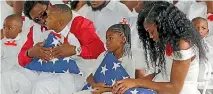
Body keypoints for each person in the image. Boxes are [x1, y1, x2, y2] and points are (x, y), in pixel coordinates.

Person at [1, 3, 105, 94]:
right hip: (41, 69)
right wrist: (31, 53)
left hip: (68, 73)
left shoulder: (77, 23)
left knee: (42, 86)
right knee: (6, 78)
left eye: (44, 14)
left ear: (49, 7)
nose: (42, 20)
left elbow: (98, 50)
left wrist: (75, 50)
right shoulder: (38, 29)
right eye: (37, 19)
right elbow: (22, 58)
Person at [112, 1, 207, 94]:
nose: (150, 36)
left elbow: (174, 89)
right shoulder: (169, 40)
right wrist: (133, 82)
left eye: (152, 31)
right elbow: (161, 73)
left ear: (163, 25)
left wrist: (136, 82)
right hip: (161, 85)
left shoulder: (183, 44)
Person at [75, 24, 147, 94]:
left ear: (123, 39)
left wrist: (106, 90)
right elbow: (90, 76)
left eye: (110, 38)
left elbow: (138, 84)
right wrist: (94, 85)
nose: (107, 42)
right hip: (99, 89)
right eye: (106, 38)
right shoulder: (104, 55)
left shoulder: (135, 56)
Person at [192, 17, 213, 94]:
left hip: (207, 83)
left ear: (207, 32)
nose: (199, 30)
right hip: (191, 82)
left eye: (203, 28)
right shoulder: (186, 46)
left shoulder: (209, 48)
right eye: (196, 27)